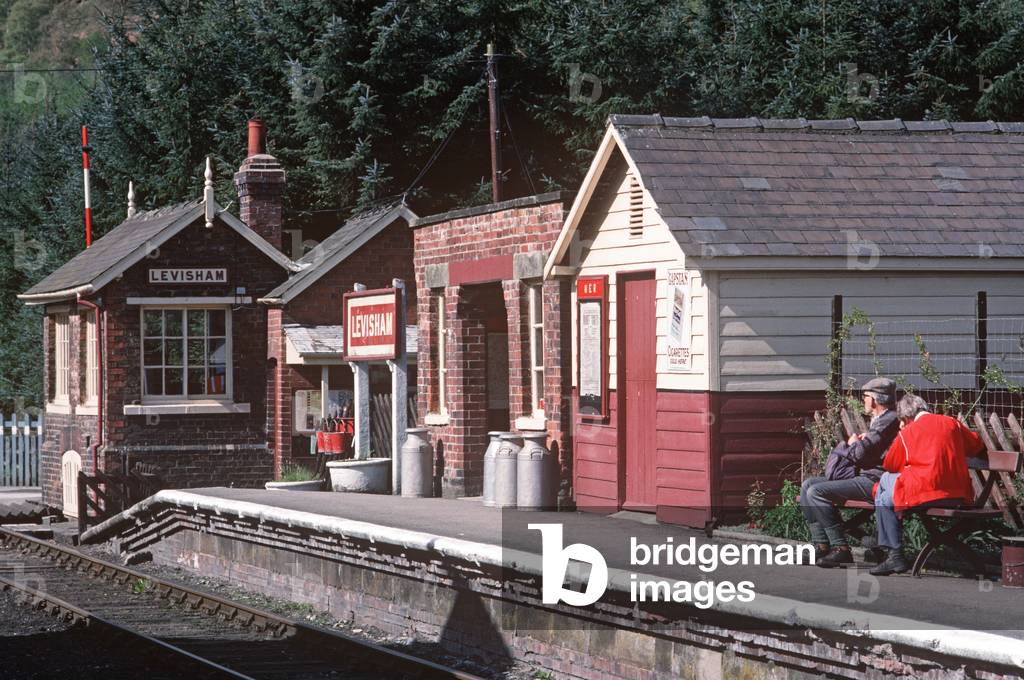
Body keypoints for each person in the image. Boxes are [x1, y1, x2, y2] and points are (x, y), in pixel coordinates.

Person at [869, 394, 984, 575]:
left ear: (906, 417)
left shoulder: (908, 432)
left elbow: (890, 464)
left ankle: (893, 553)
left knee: (884, 491)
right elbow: (976, 444)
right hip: (957, 493)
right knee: (884, 490)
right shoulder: (951, 422)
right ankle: (891, 551)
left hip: (926, 493)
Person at [800, 377, 900, 568]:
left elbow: (860, 454)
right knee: (808, 486)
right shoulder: (881, 420)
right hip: (864, 475)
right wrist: (862, 443)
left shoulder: (887, 421)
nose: (864, 400)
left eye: (866, 396)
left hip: (875, 481)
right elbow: (868, 451)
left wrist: (855, 443)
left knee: (817, 492)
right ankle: (820, 544)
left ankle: (840, 549)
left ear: (874, 399)